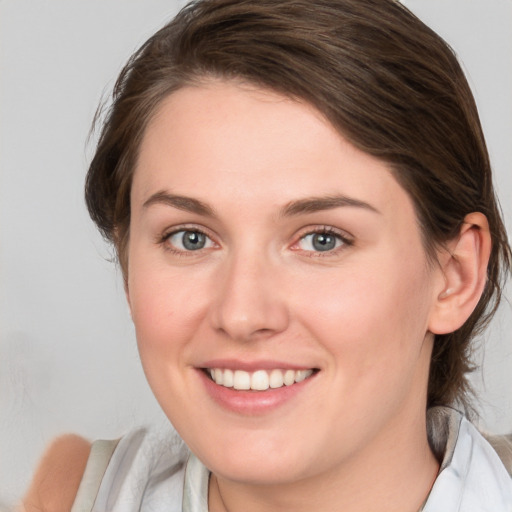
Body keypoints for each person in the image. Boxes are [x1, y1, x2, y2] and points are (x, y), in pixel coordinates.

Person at [22, 0, 512, 510]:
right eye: (190, 238)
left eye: (323, 239)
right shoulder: (66, 494)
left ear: (456, 276)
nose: (241, 314)